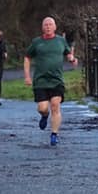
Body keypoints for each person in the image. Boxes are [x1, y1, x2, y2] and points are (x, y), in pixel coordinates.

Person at [24, 16, 77, 146]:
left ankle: (54, 134)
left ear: (55, 27)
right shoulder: (37, 42)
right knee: (42, 108)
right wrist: (27, 76)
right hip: (41, 80)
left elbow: (68, 53)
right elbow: (27, 57)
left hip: (56, 80)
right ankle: (44, 116)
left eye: (50, 24)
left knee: (55, 105)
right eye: (45, 25)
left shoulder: (60, 41)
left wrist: (72, 59)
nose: (48, 27)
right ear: (43, 27)